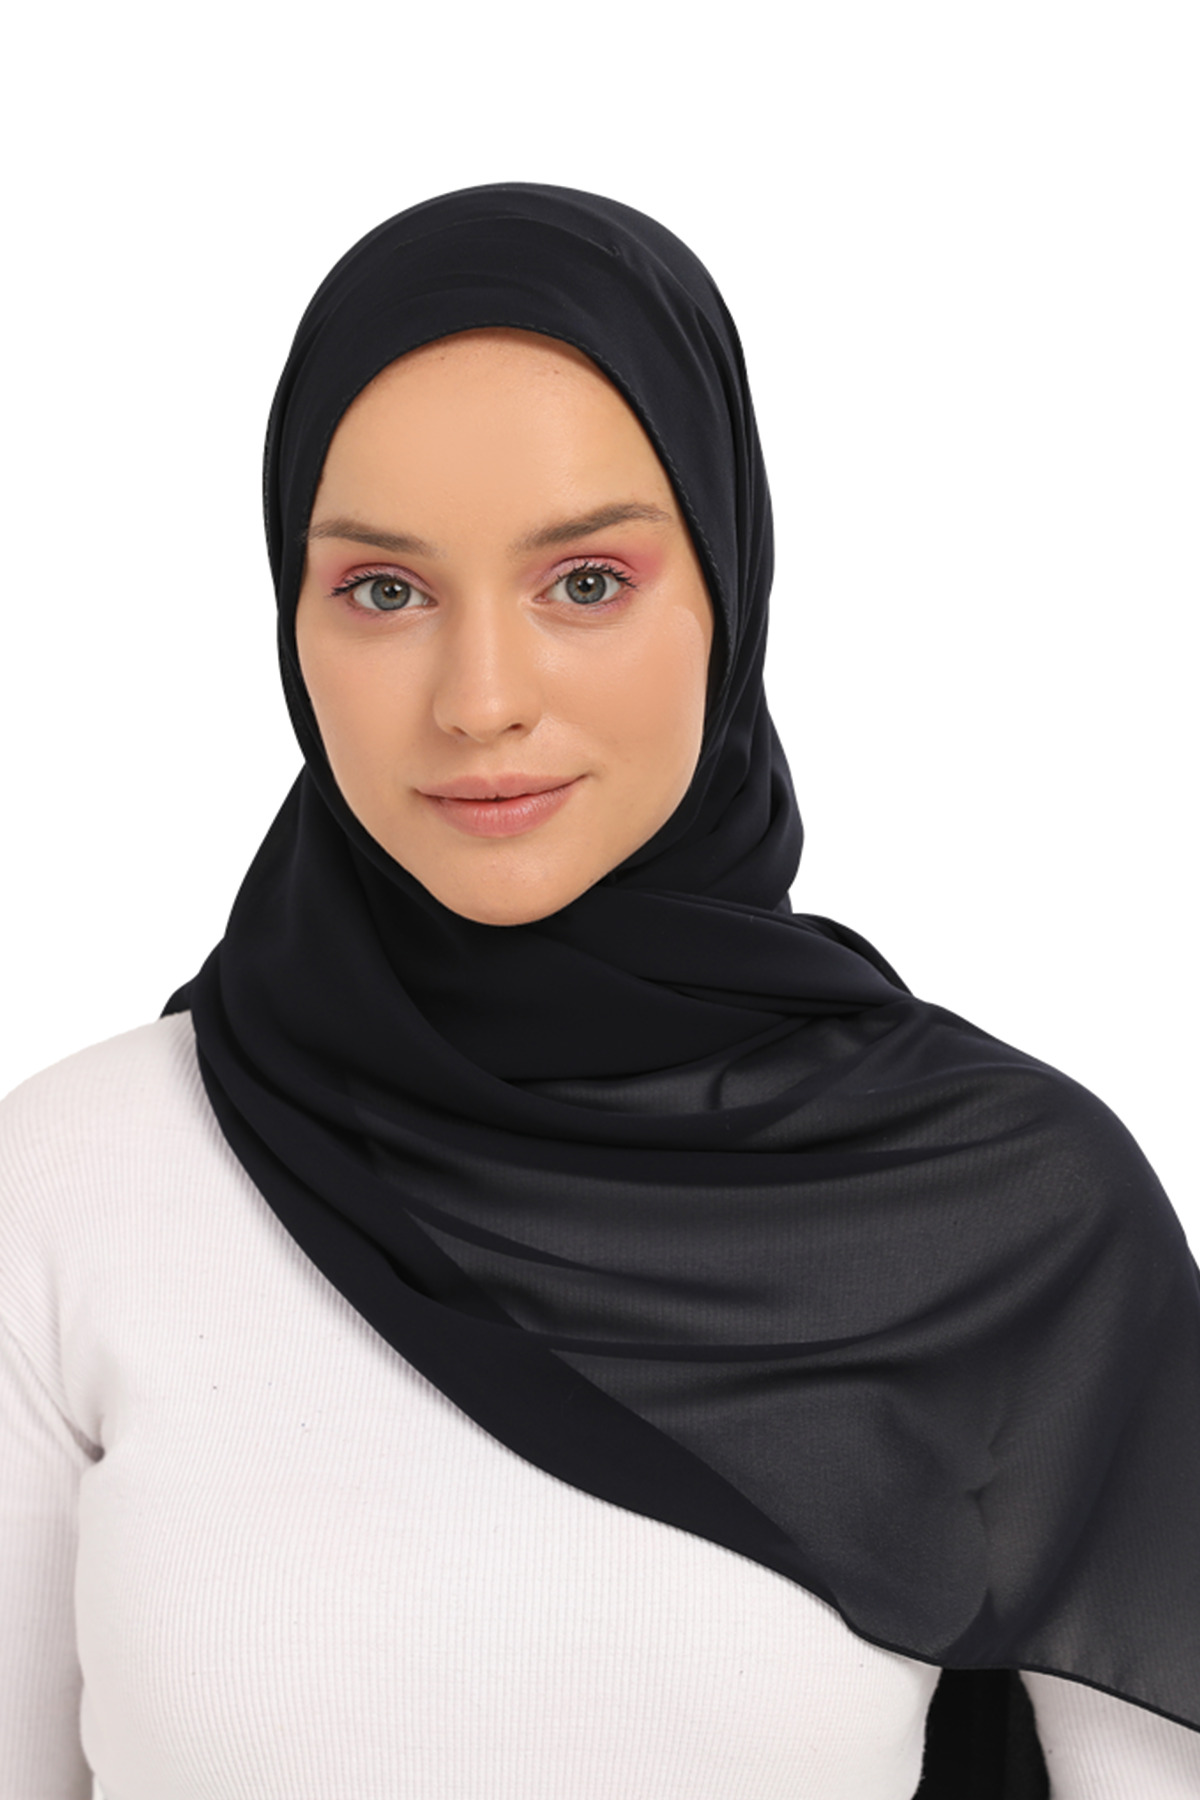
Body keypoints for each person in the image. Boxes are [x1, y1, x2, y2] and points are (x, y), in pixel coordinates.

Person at [2, 183, 1198, 1800]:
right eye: (384, 591)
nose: (480, 700)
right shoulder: (78, 1179)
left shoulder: (1008, 1216)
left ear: (726, 588)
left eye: (583, 583)